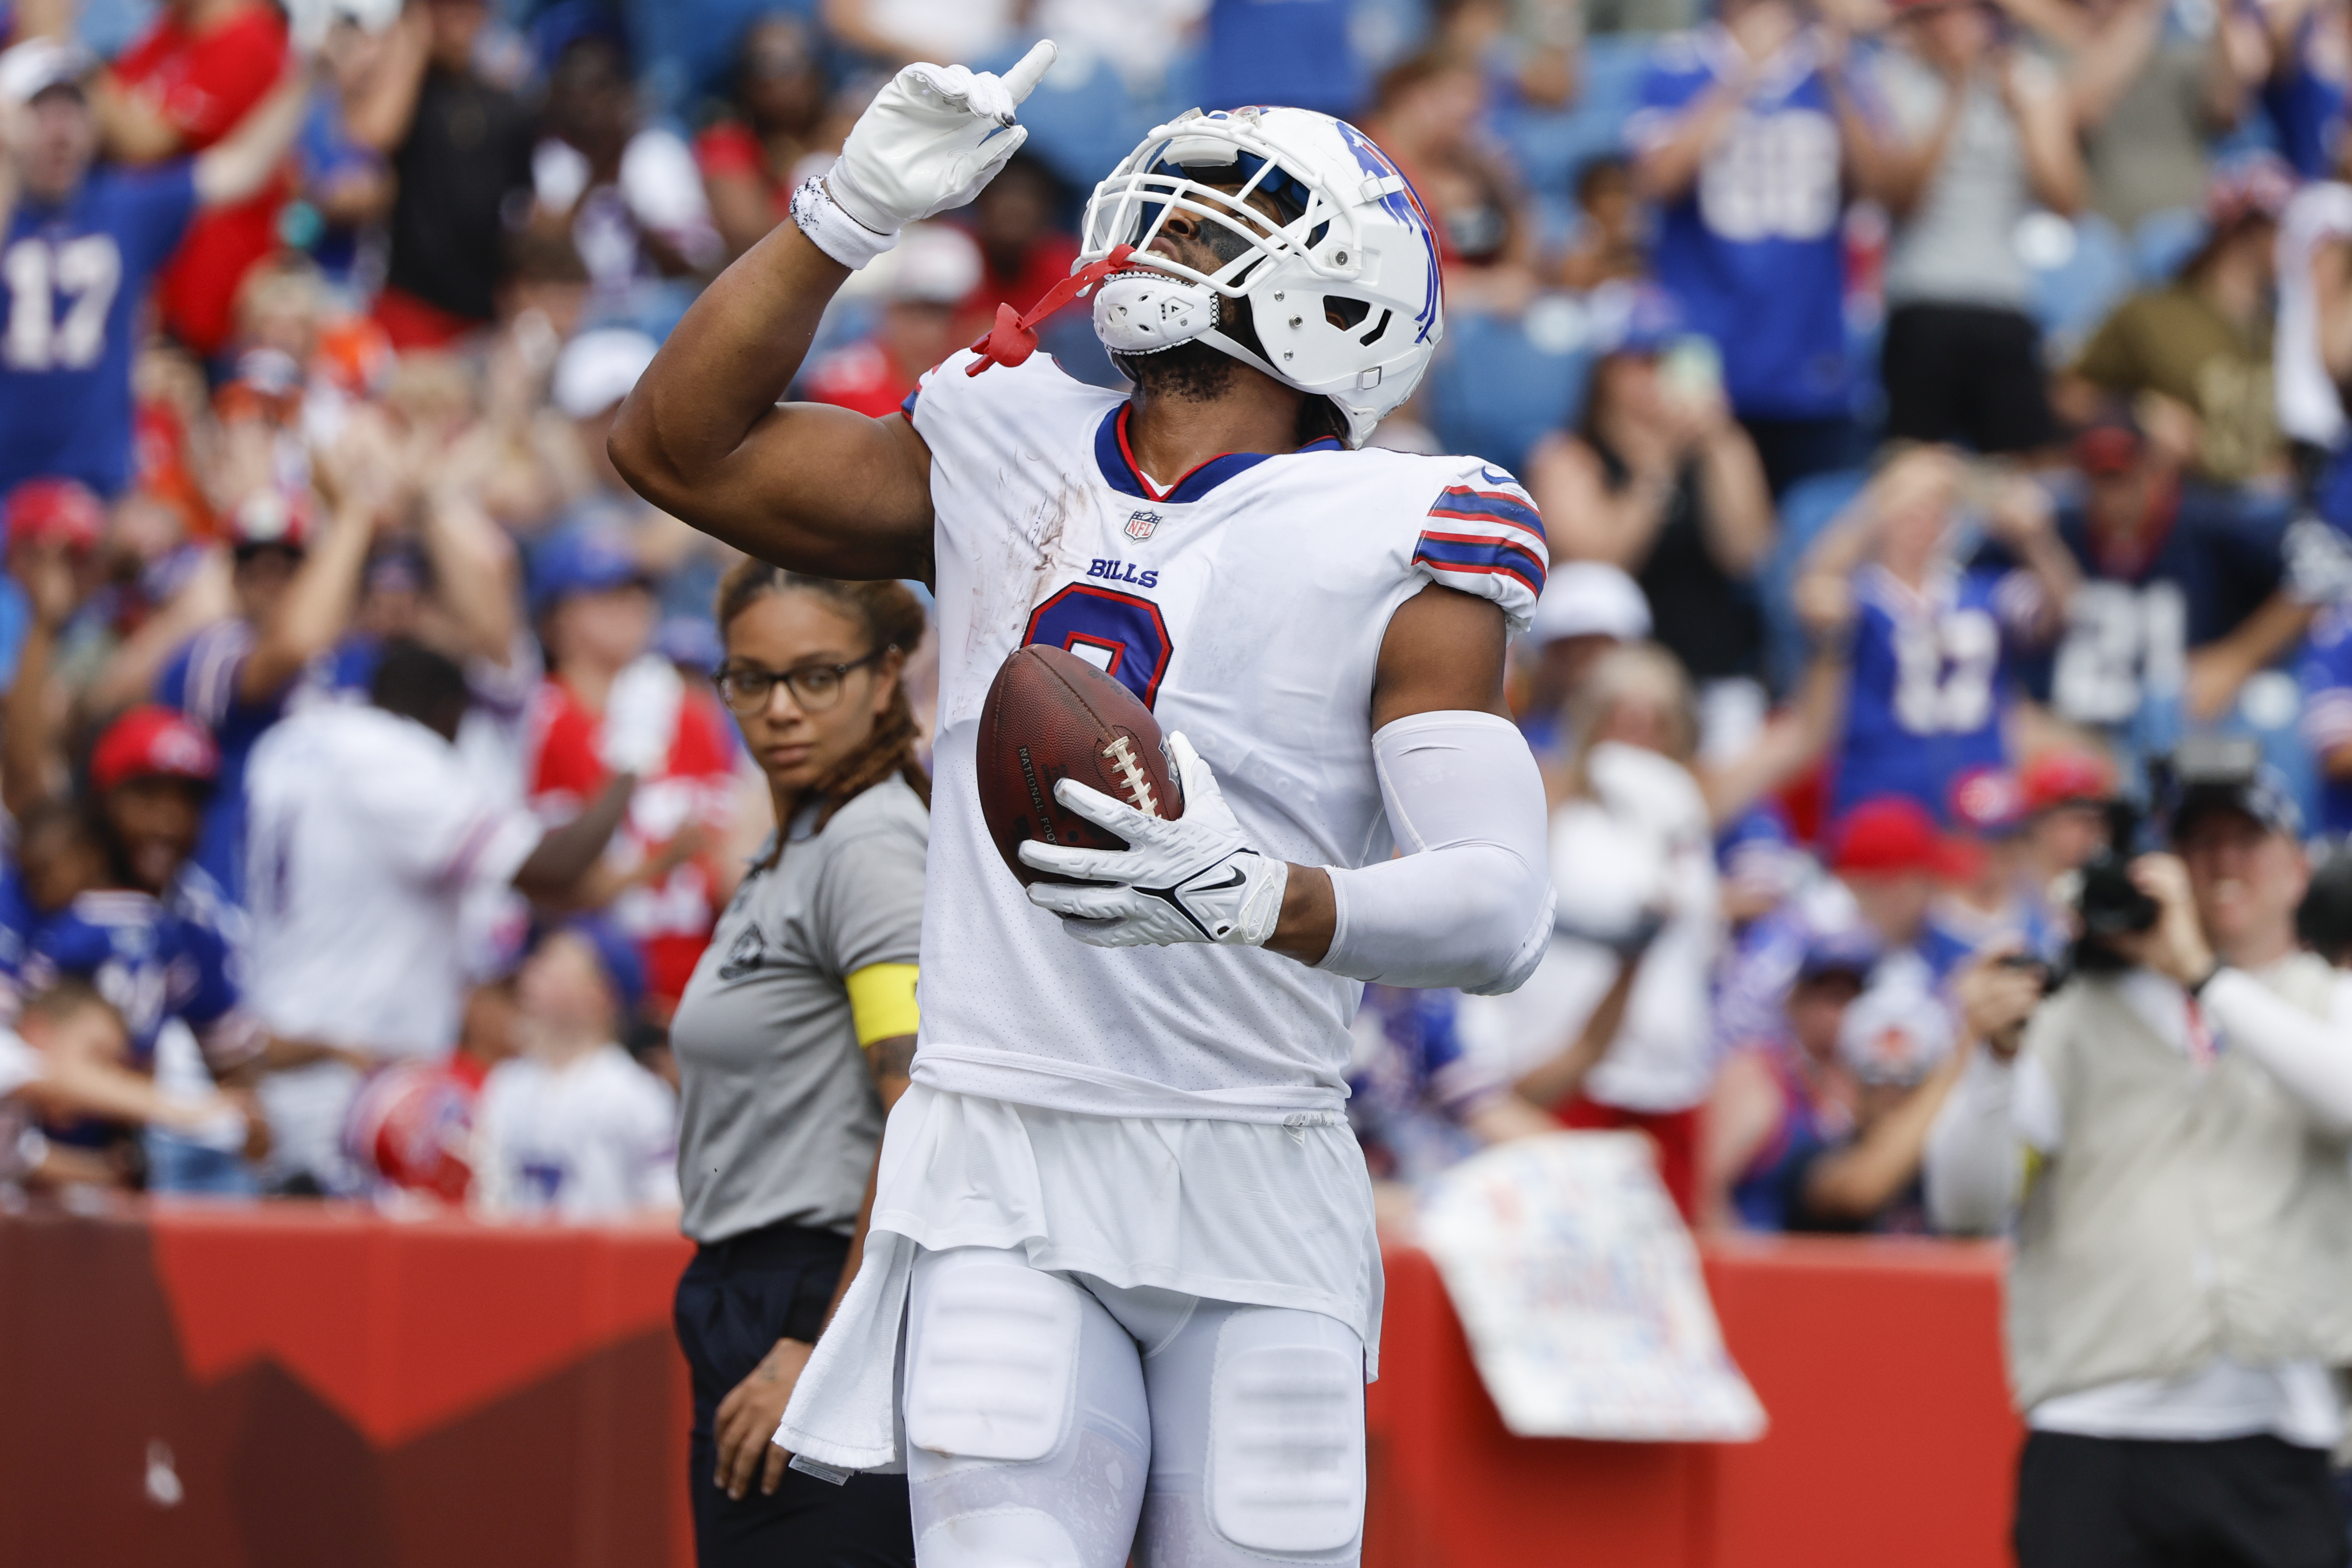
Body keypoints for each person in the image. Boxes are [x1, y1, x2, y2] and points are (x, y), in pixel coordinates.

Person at [611, 46, 1555, 1566]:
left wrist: (1258, 893)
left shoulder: (1403, 524)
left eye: (1216, 218)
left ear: (1343, 292)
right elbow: (670, 445)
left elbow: (1499, 909)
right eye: (1166, 207)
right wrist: (841, 214)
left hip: (1256, 1162)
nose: (1163, 233)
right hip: (1004, 1143)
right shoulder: (1001, 437)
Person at [1928, 759, 2352, 1568]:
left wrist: (2202, 977)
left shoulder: (2326, 1000)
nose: (2223, 864)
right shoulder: (2075, 1012)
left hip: (2277, 1434)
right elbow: (1962, 1206)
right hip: (2098, 1425)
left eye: (2245, 842)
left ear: (2296, 868)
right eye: (2199, 844)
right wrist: (1987, 1063)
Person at [666, 564, 930, 1565]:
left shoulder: (868, 844)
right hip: (762, 1300)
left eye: (815, 676)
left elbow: (916, 1109)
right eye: (750, 677)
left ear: (884, 674)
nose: (779, 708)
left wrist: (829, 1351)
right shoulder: (806, 840)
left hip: (818, 1300)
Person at [241, 639, 634, 1193]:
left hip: (277, 1049)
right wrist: (630, 771)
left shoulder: (289, 741)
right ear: (448, 714)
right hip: (360, 1075)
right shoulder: (393, 752)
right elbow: (552, 868)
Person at [0, 36, 313, 498]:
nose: (61, 131)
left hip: (100, 485)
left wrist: (310, 76)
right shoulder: (12, 212)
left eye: (74, 111)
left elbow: (243, 167)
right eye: (42, 113)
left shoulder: (123, 205)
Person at [1628, 0, 1882, 496]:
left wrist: (1839, 78)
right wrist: (1741, 78)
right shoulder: (1677, 65)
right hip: (1702, 347)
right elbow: (1658, 179)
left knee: (1809, 530)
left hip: (1808, 348)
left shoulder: (1828, 67)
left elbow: (1879, 188)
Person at [1985, 413, 2305, 754]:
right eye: (2098, 479)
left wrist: (2237, 657)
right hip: (2073, 742)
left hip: (2186, 731)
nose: (2112, 495)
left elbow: (2313, 574)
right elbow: (1966, 597)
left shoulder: (2208, 528)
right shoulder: (2051, 530)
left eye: (2121, 477)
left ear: (2151, 470)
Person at [1526, 298, 1774, 721]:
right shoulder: (1567, 457)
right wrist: (1657, 471)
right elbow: (1598, 563)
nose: (1659, 375)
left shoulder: (1721, 445)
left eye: (1671, 360)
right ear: (1605, 372)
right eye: (1643, 361)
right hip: (1605, 688)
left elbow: (1748, 555)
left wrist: (1716, 441)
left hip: (1713, 674)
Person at [1799, 446, 2077, 822]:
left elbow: (2060, 612)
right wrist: (1876, 505)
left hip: (1980, 791)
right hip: (1881, 794)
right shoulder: (1859, 597)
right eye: (1909, 511)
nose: (1921, 523)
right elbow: (1814, 589)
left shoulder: (1981, 592)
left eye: (1934, 511)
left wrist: (2034, 539)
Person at [1871, 0, 2084, 456]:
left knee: (2027, 463)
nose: (1946, 26)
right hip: (1921, 292)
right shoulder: (1893, 81)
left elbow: (2067, 202)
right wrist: (1957, 94)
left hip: (2003, 297)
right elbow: (1903, 198)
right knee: (1912, 460)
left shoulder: (2030, 83)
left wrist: (2021, 117)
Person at [2061, 156, 2297, 487]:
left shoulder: (2289, 334)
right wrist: (2135, 413)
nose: (2301, 245)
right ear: (2250, 231)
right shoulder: (2151, 314)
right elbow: (2067, 396)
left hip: (2265, 517)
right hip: (2177, 509)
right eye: (2287, 230)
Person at [349, 0, 538, 349]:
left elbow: (523, 209)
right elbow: (373, 135)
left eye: (468, 7)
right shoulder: (409, 96)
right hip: (409, 302)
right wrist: (413, 41)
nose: (457, 17)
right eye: (443, 7)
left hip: (480, 309)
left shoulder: (505, 104)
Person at [473, 920, 679, 1221]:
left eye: (553, 965)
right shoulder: (506, 1083)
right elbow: (483, 1199)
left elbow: (667, 1208)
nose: (532, 973)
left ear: (602, 994)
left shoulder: (637, 1093)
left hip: (600, 1265)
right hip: (512, 1262)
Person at [697, 14, 828, 261]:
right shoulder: (726, 142)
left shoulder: (843, 131)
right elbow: (749, 238)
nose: (776, 80)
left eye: (789, 64)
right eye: (762, 66)